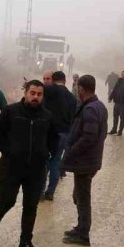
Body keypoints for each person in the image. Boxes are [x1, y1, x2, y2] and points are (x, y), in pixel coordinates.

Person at [0, 80, 58, 247]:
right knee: (7, 200)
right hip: (12, 166)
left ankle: (25, 242)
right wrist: (8, 151)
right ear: (25, 92)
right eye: (32, 93)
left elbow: (54, 139)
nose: (35, 97)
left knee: (31, 205)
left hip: (37, 168)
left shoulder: (47, 116)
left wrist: (47, 153)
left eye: (39, 94)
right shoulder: (11, 112)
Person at [61, 75, 108, 246]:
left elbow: (89, 137)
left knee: (82, 198)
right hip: (90, 160)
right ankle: (80, 227)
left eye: (78, 89)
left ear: (81, 89)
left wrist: (71, 152)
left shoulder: (89, 110)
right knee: (79, 195)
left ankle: (82, 234)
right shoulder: (99, 106)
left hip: (85, 162)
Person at [41, 71, 78, 201]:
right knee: (56, 162)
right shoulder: (72, 97)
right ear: (65, 80)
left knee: (44, 162)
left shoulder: (49, 90)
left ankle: (40, 192)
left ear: (53, 80)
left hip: (50, 132)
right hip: (65, 133)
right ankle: (50, 192)